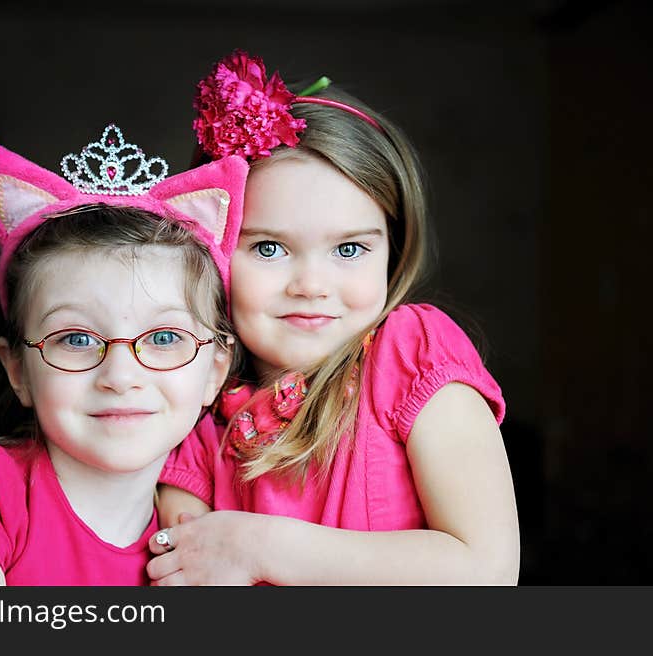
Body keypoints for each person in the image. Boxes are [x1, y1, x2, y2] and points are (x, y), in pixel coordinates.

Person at [148, 50, 521, 585]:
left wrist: (261, 546)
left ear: (392, 250)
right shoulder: (197, 423)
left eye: (348, 250)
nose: (312, 286)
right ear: (212, 252)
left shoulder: (411, 353)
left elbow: (487, 571)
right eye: (270, 248)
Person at [0, 124, 249, 585]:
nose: (120, 375)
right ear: (17, 369)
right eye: (76, 339)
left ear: (215, 370)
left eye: (162, 338)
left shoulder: (200, 546)